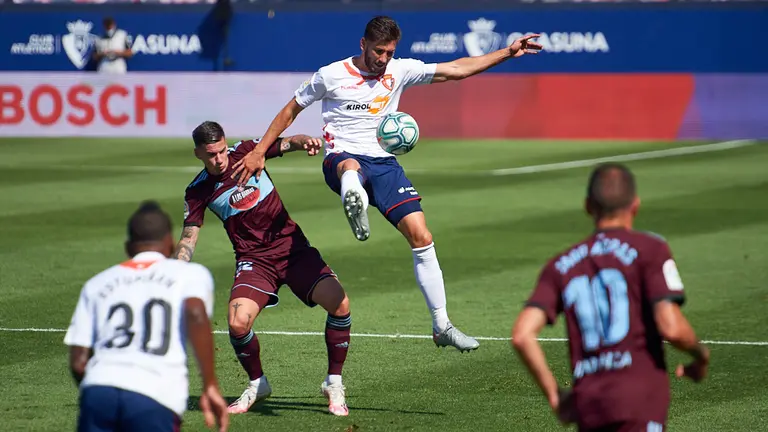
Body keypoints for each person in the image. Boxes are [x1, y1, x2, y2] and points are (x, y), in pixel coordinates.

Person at [229, 15, 541, 352]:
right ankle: (355, 198)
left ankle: (442, 324)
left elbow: (457, 69)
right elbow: (291, 109)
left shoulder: (399, 70)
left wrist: (508, 52)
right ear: (363, 45)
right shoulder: (330, 75)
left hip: (384, 165)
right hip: (341, 158)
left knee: (422, 235)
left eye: (390, 52)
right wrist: (260, 150)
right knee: (350, 168)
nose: (383, 59)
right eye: (378, 51)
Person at [511, 163, 710, 432]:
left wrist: (555, 396)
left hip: (590, 407)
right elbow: (672, 328)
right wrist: (700, 355)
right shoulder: (650, 249)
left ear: (587, 206)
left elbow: (522, 335)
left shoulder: (560, 265)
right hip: (639, 405)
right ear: (635, 205)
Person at [175, 121, 352, 416]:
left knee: (340, 304)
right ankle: (258, 383)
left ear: (225, 144)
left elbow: (286, 142)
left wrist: (304, 141)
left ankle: (333, 382)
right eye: (211, 155)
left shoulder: (247, 151)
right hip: (254, 260)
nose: (219, 159)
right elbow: (189, 236)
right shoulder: (197, 191)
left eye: (220, 151)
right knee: (237, 322)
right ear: (198, 154)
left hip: (292, 249)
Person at [64, 201, 228, 432]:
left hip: (98, 392)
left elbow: (79, 363)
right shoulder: (190, 275)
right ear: (171, 243)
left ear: (128, 247)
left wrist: (102, 391)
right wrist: (209, 384)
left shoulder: (96, 284)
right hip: (154, 394)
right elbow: (195, 313)